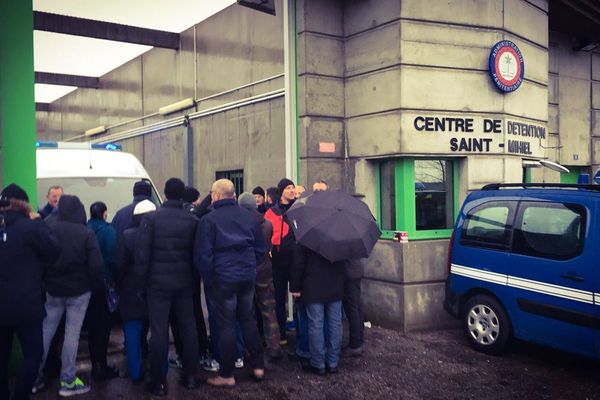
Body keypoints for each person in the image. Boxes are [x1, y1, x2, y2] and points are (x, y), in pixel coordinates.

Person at [195, 179, 266, 388]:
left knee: (225, 324)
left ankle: (227, 374)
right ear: (233, 196)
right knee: (247, 319)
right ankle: (258, 366)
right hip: (246, 276)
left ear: (216, 196)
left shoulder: (209, 220)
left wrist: (210, 277)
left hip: (223, 278)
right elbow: (260, 247)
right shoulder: (248, 216)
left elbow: (203, 255)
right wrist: (249, 265)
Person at [136, 178, 199, 396]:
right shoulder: (192, 220)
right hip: (183, 283)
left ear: (163, 193)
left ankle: (158, 381)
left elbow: (143, 255)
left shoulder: (151, 219)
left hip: (157, 284)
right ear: (182, 195)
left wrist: (141, 285)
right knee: (188, 327)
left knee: (159, 331)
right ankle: (190, 376)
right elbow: (195, 255)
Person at [36, 195, 104, 397]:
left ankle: (33, 377)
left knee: (45, 332)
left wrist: (45, 281)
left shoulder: (50, 229)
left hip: (53, 290)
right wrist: (93, 286)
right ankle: (67, 382)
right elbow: (96, 265)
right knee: (71, 335)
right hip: (79, 291)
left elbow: (42, 260)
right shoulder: (86, 233)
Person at [0, 184, 60, 400]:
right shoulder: (31, 227)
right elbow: (54, 251)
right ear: (24, 205)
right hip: (27, 305)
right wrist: (40, 223)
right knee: (33, 355)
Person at [170, 186, 210, 372]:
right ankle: (199, 354)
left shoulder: (159, 218)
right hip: (191, 274)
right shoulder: (195, 219)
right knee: (194, 315)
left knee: (177, 318)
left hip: (170, 276)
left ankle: (182, 354)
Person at [115, 199, 156, 383]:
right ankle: (159, 370)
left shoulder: (127, 235)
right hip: (155, 288)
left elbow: (120, 264)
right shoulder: (160, 234)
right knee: (158, 330)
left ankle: (135, 372)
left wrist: (118, 284)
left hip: (131, 289)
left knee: (132, 330)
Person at [238, 192, 281, 360]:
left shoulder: (240, 224)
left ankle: (251, 348)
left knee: (247, 313)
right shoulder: (267, 224)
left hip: (246, 272)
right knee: (269, 310)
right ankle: (274, 347)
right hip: (265, 271)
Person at [290, 245, 346, 375]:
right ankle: (333, 362)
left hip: (312, 286)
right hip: (335, 285)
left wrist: (295, 287)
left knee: (315, 324)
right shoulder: (340, 236)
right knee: (336, 323)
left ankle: (318, 363)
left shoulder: (306, 238)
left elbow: (298, 264)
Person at [86, 202, 119, 380]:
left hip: (86, 285)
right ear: (105, 214)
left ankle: (94, 364)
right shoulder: (108, 231)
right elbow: (113, 258)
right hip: (104, 285)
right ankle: (101, 366)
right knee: (103, 328)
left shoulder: (85, 228)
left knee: (92, 328)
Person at [264, 178, 297, 344]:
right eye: (289, 188)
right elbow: (266, 233)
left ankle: (301, 333)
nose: (292, 190)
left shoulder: (300, 208)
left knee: (300, 296)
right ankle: (281, 334)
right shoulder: (272, 212)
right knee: (278, 297)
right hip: (278, 261)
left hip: (298, 260)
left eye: (293, 187)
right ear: (281, 191)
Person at [344, 259, 365, 356]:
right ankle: (359, 340)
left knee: (352, 309)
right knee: (357, 306)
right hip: (356, 269)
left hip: (349, 272)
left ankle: (355, 344)